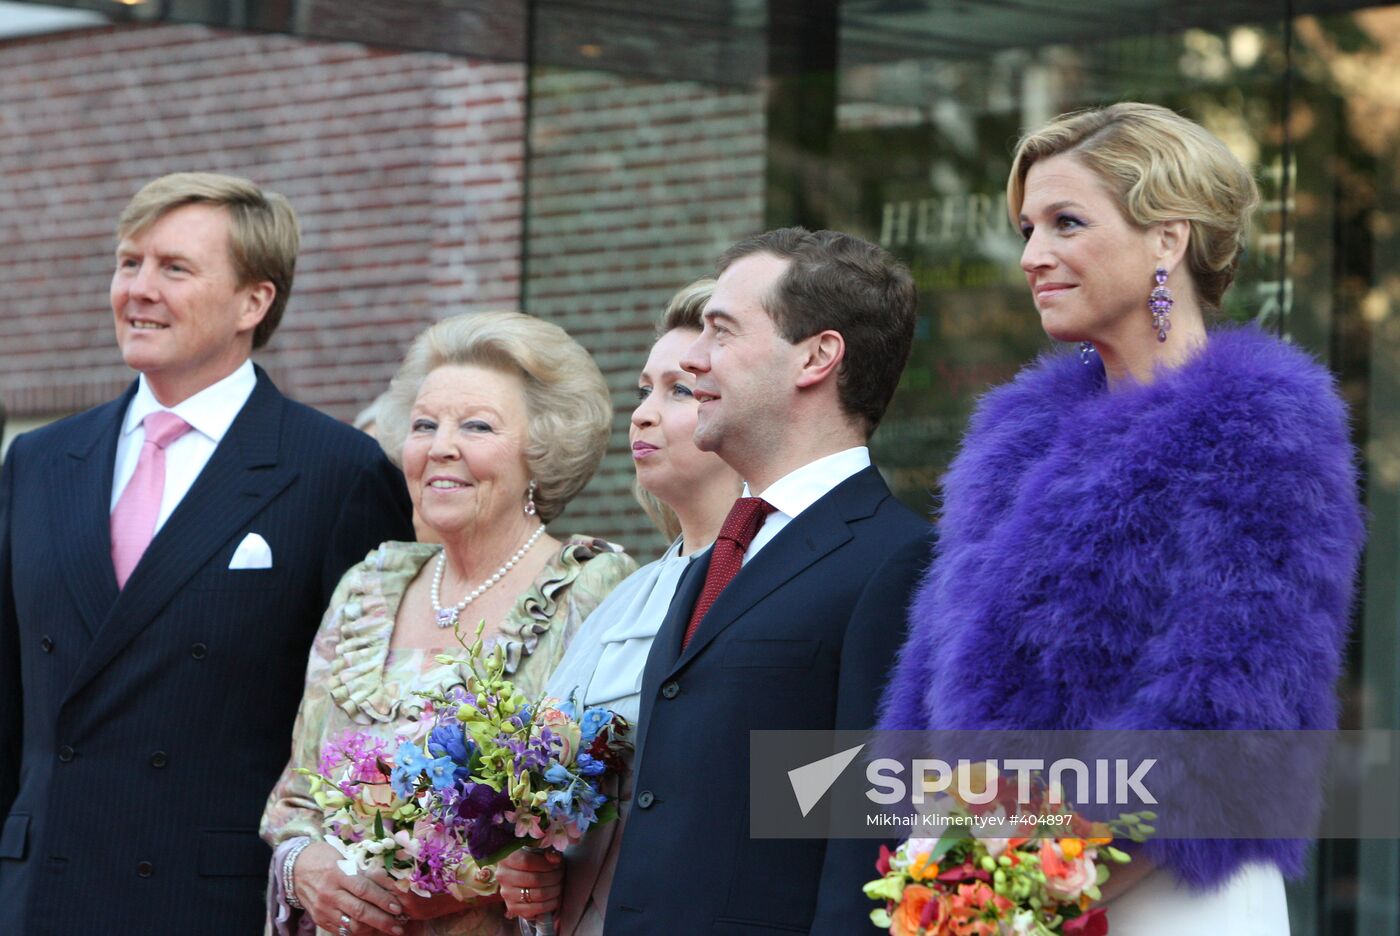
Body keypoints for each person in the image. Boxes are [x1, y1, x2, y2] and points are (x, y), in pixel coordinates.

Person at [878, 103, 1366, 934]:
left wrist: (1017, 896)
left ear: (1167, 239)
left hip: (1161, 894)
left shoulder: (1261, 422)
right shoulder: (1011, 437)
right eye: (1028, 227)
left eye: (1066, 222)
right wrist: (937, 863)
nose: (1033, 256)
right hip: (979, 886)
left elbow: (1231, 714)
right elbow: (934, 689)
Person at [0, 172, 415, 936]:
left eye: (175, 269)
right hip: (38, 893)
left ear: (253, 302)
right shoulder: (38, 459)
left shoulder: (336, 471)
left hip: (210, 900)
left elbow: (362, 717)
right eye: (130, 263)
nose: (139, 290)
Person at [584, 228, 932, 935]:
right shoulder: (720, 552)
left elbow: (871, 836)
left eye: (721, 331)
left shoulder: (897, 561)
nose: (693, 357)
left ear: (816, 355)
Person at [261, 311, 638, 936]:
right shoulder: (368, 587)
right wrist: (308, 864)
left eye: (478, 426)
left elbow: (609, 808)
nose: (441, 446)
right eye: (424, 425)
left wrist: (479, 875)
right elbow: (294, 802)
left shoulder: (588, 589)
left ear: (540, 453)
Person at [501, 280, 744, 933]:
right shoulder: (626, 591)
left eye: (680, 390)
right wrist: (530, 849)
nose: (642, 414)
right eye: (644, 391)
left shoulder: (772, 580)